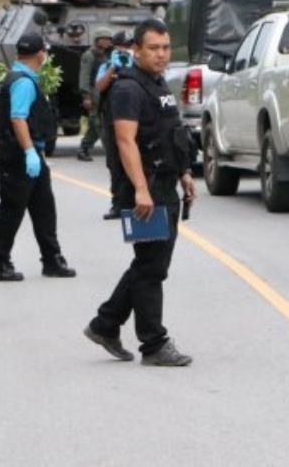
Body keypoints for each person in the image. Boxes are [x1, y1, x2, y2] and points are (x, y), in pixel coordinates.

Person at [85, 19, 195, 367]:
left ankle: (105, 324)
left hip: (164, 183)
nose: (161, 54)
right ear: (136, 50)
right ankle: (153, 343)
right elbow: (125, 141)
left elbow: (170, 133)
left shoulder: (156, 83)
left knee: (150, 264)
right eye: (153, 48)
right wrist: (141, 190)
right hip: (144, 189)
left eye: (165, 47)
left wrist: (184, 172)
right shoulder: (128, 88)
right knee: (151, 267)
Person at [0, 33, 76, 281]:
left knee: (44, 208)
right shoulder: (24, 82)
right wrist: (28, 151)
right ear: (40, 55)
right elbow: (18, 118)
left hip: (30, 153)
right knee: (12, 210)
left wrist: (36, 153)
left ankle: (52, 260)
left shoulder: (17, 76)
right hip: (19, 154)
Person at [96, 31, 134, 220]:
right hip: (111, 122)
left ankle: (137, 201)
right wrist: (113, 67)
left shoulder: (140, 64)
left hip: (135, 121)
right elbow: (99, 86)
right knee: (115, 164)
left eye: (129, 46)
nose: (125, 50)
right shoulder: (106, 65)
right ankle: (118, 204)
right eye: (122, 46)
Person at [77, 27, 114, 162]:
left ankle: (86, 148)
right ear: (97, 40)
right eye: (104, 39)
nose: (107, 41)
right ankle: (84, 148)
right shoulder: (89, 55)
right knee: (96, 123)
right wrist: (86, 97)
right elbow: (85, 76)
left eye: (109, 39)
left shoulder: (107, 54)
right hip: (94, 92)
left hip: (105, 92)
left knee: (103, 122)